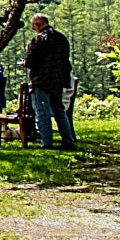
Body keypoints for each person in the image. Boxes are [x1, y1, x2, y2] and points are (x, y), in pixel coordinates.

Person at [23, 13, 76, 148]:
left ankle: (46, 143)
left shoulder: (39, 40)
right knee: (60, 112)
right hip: (58, 80)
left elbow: (30, 61)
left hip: (41, 80)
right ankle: (68, 141)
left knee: (42, 113)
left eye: (33, 26)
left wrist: (24, 63)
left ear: (37, 25)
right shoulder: (62, 38)